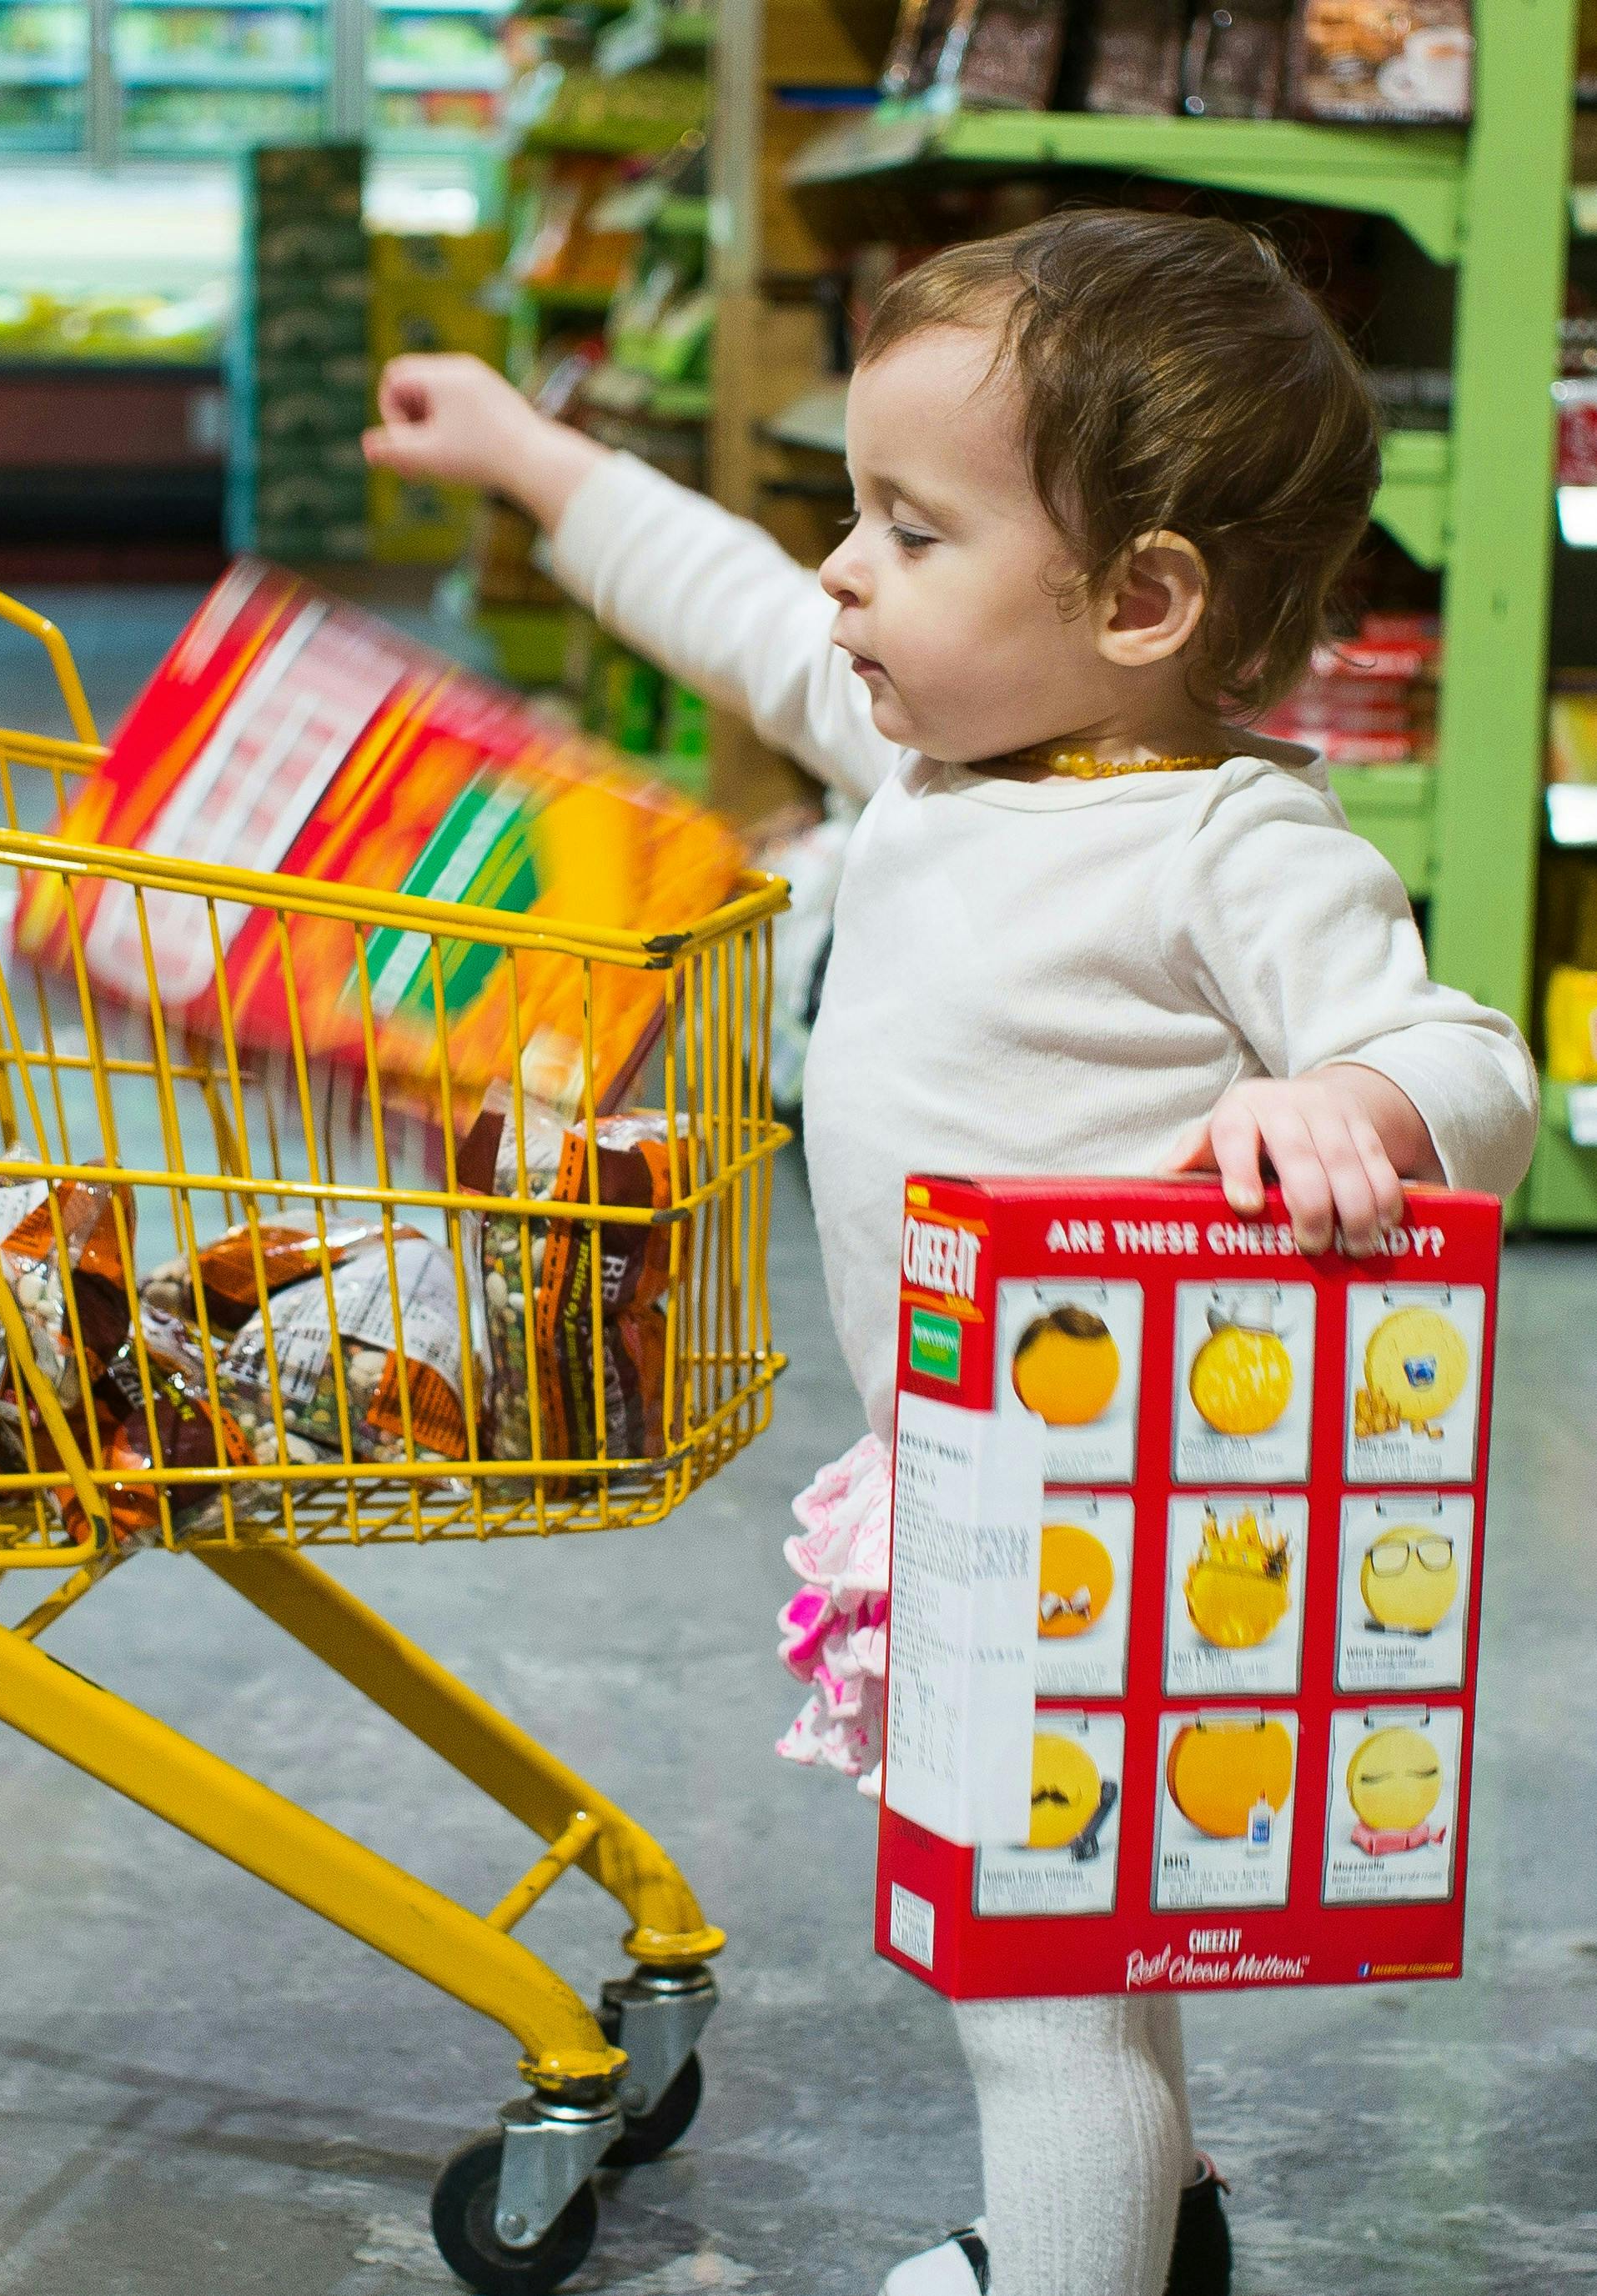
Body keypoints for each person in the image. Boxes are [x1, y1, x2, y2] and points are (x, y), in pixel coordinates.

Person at [364, 208, 1539, 2296]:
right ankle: (1157, 2236)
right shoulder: (932, 759)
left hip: (1126, 1518)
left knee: (1041, 1976)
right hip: (986, 1488)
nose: (840, 571)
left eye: (909, 530)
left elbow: (1464, 1056)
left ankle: (1071, 2268)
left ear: (1142, 600)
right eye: (854, 514)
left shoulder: (1222, 841)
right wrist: (540, 465)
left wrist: (1342, 1107)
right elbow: (736, 606)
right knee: (1080, 1935)